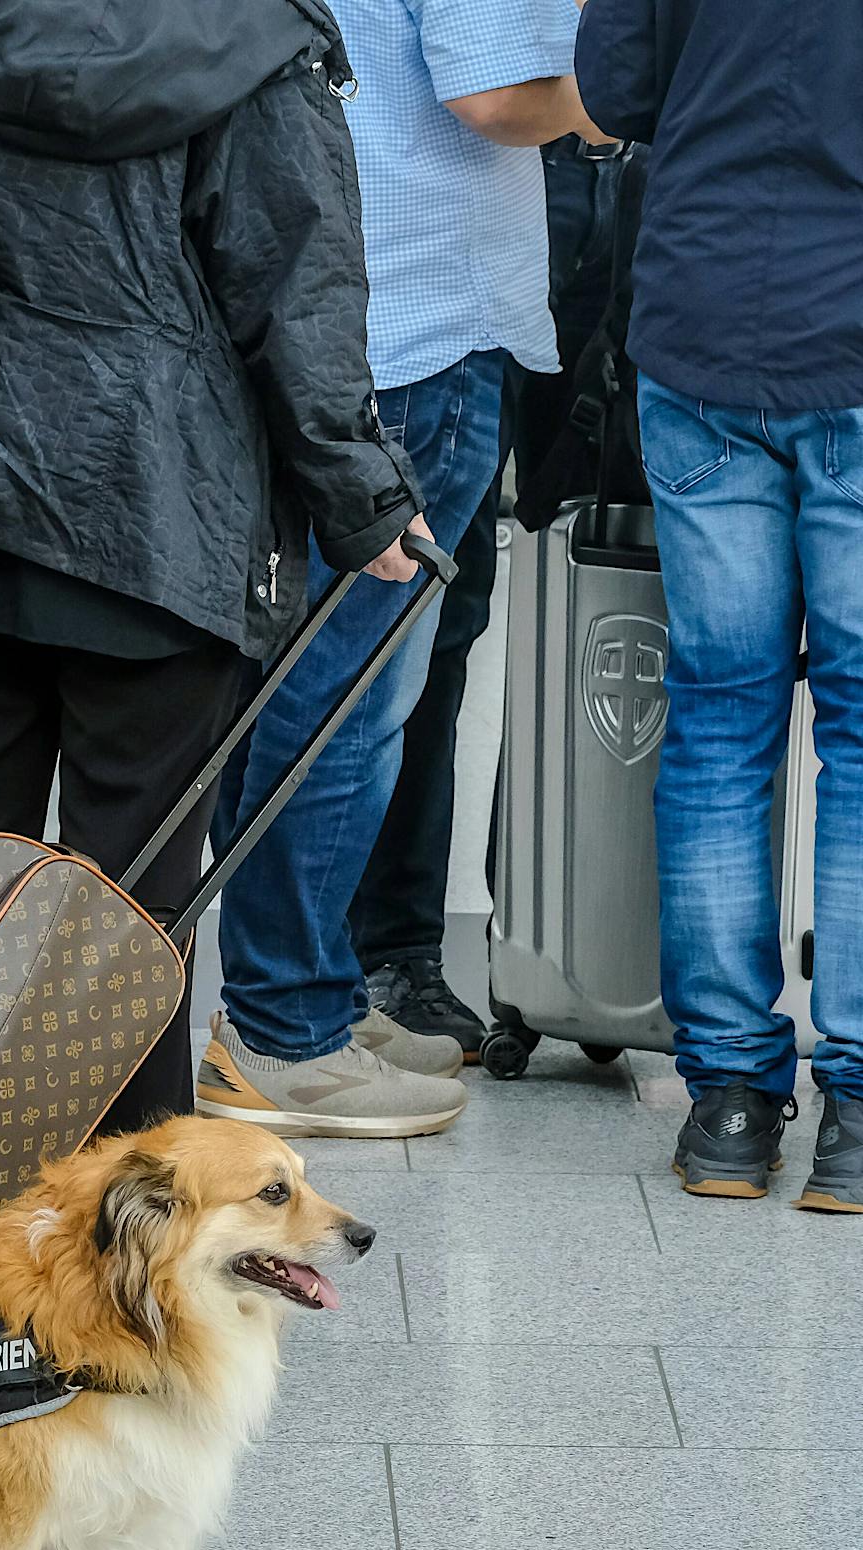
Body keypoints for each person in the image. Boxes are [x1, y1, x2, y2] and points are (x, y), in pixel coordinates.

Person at [0, 0, 428, 1133]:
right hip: (155, 517)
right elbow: (293, 286)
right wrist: (360, 496)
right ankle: (129, 1249)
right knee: (134, 912)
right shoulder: (254, 31)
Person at [199, 0, 600, 1140]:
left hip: (336, 320)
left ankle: (302, 993)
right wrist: (625, 91)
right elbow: (493, 98)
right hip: (420, 324)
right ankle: (285, 1033)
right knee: (346, 704)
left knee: (302, 687)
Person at [576, 0, 863, 1208]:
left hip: (698, 324)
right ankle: (854, 1111)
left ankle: (731, 1106)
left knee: (716, 718)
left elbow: (611, 90)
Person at [352, 134, 632, 1060]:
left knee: (592, 588)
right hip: (493, 168)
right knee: (419, 614)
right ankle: (392, 953)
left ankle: (560, 960)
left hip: (637, 176)